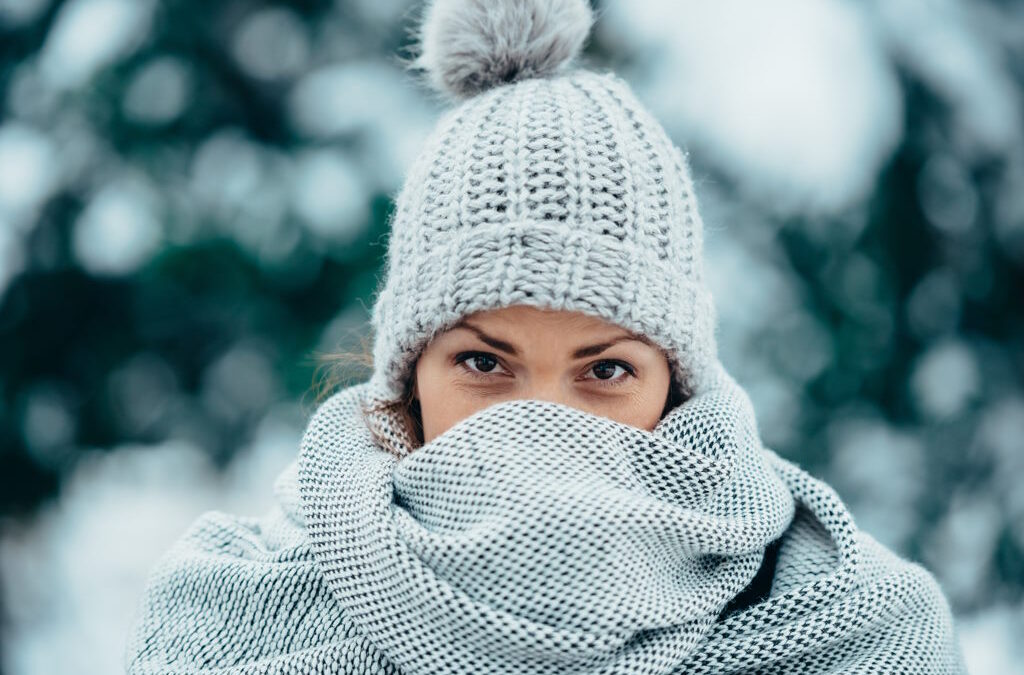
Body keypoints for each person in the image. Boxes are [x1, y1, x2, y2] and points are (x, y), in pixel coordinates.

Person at [124, 0, 968, 673]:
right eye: (485, 362)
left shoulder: (858, 630)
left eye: (604, 370)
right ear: (408, 375)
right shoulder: (227, 620)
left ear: (676, 383)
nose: (540, 421)